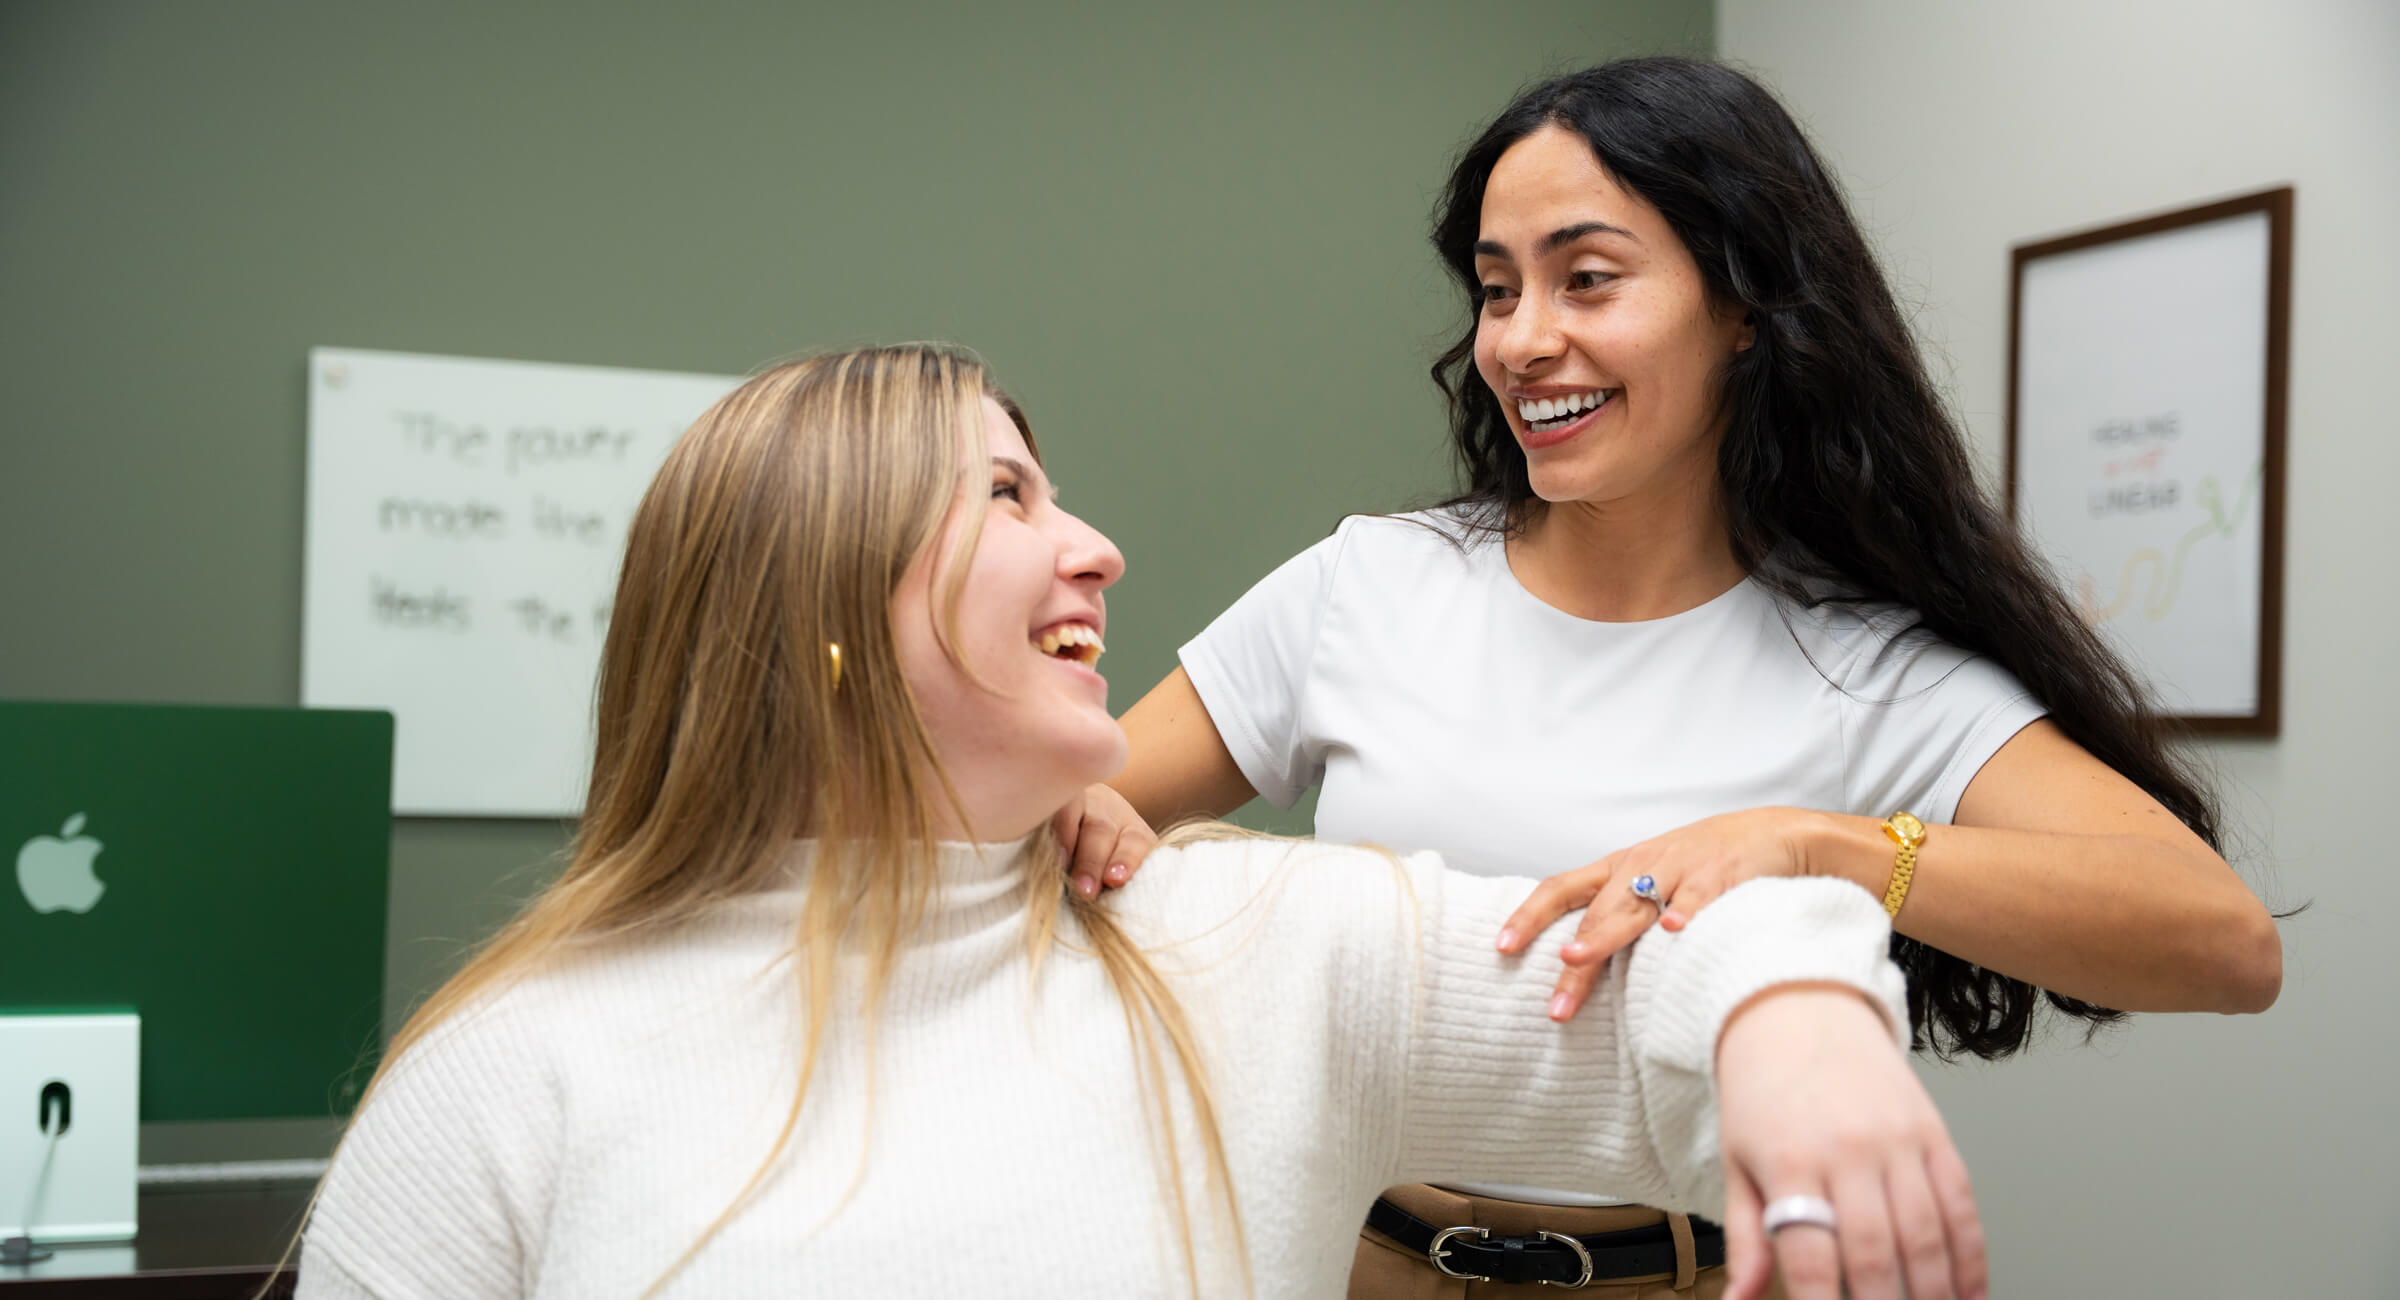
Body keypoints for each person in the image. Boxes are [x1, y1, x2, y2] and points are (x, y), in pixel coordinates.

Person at [294, 345, 1984, 1300]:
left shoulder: (1256, 946)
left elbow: (1669, 952)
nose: (1094, 545)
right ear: (816, 608)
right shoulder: (517, 1069)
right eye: (1008, 497)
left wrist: (1796, 1016)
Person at [1069, 58, 2283, 1299]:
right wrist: (1086, 822)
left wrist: (1823, 848)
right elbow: (1072, 824)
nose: (1524, 341)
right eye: (1498, 290)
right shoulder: (1368, 585)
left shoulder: (1866, 667)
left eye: (1586, 278)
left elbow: (2225, 942)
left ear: (1743, 304)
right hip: (1352, 1263)